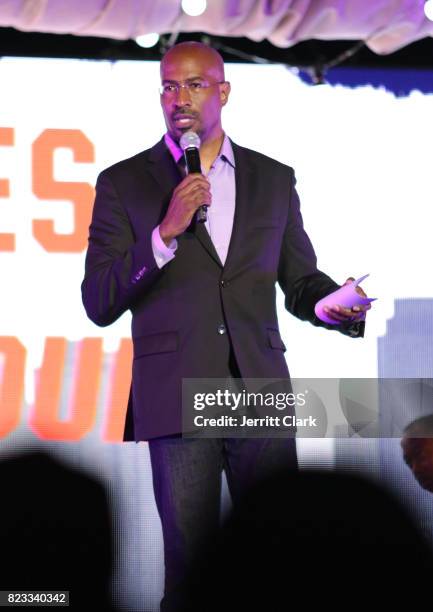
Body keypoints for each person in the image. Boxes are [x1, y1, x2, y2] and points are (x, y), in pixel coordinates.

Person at [81, 41, 371, 611]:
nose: (178, 98)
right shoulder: (124, 183)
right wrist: (164, 233)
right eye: (168, 86)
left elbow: (300, 279)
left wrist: (328, 305)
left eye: (192, 85)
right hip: (179, 394)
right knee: (191, 570)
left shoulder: (272, 178)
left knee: (277, 560)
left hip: (257, 389)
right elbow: (99, 299)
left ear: (223, 91)